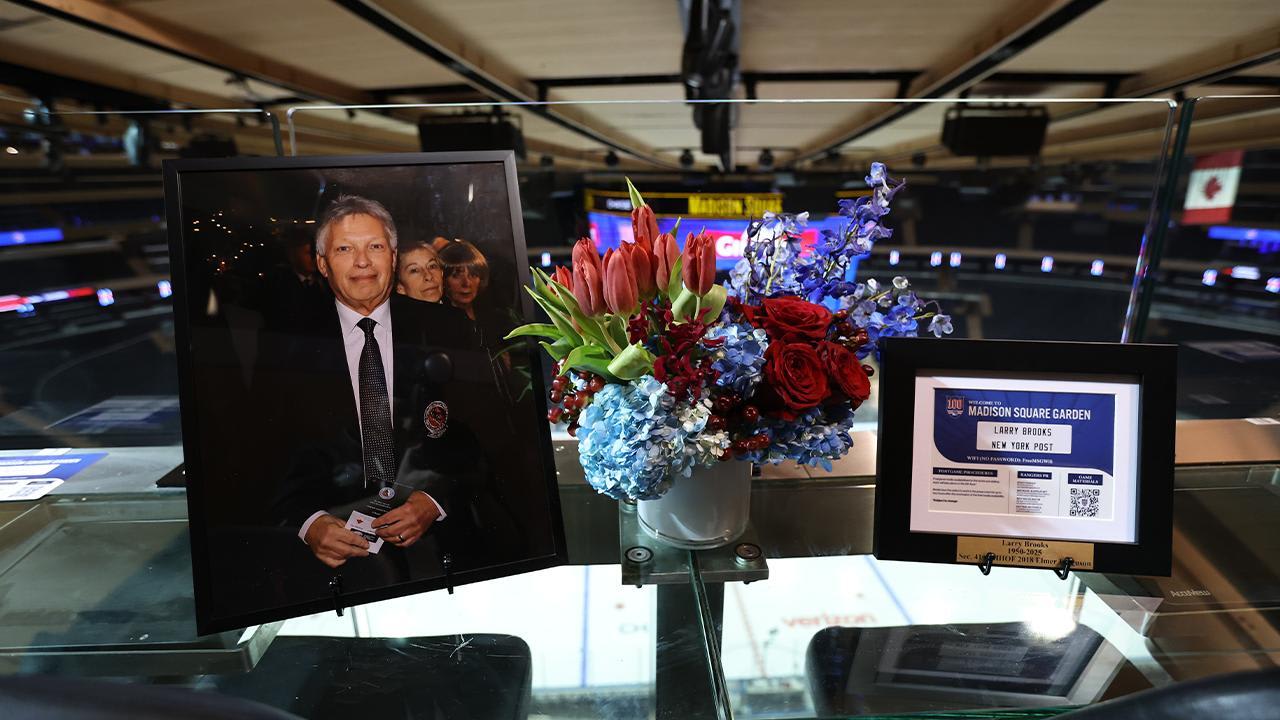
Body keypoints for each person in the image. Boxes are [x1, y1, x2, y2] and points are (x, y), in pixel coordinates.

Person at [257, 195, 497, 581]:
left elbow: (488, 437)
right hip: (335, 561)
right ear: (322, 263)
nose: (363, 261)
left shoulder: (448, 330)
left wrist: (434, 500)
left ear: (392, 254)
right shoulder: (286, 346)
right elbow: (265, 451)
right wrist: (310, 524)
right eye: (344, 249)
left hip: (443, 553)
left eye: (375, 246)